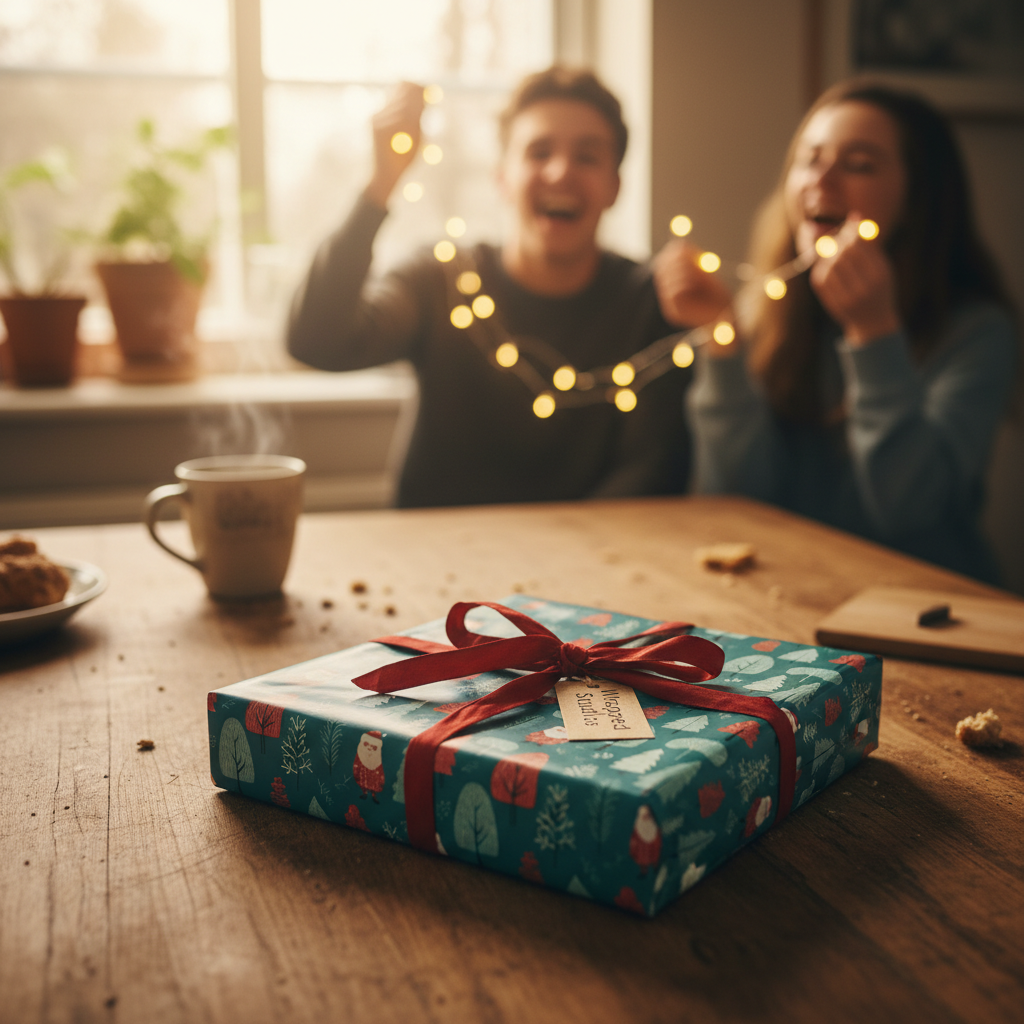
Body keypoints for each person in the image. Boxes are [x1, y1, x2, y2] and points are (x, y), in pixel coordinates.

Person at [654, 81, 1018, 582]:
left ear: (919, 196)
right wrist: (722, 338)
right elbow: (735, 500)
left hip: (932, 603)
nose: (821, 180)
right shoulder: (770, 311)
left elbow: (909, 508)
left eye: (859, 164)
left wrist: (874, 334)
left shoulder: (977, 332)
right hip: (798, 592)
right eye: (809, 159)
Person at [288, 68, 690, 508]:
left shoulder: (651, 301)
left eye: (587, 157)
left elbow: (653, 471)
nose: (561, 171)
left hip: (595, 546)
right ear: (502, 179)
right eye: (539, 152)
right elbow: (317, 341)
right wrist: (380, 184)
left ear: (614, 187)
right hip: (437, 544)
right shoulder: (442, 279)